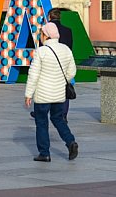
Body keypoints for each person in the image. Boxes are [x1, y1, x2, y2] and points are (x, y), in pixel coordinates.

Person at [25, 22, 78, 162]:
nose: (40, 36)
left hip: (43, 95)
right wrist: (62, 80)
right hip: (59, 94)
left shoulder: (41, 51)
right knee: (58, 119)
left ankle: (44, 153)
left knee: (41, 122)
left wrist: (28, 94)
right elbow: (72, 71)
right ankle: (70, 141)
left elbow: (33, 74)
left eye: (41, 34)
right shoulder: (66, 49)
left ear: (46, 35)